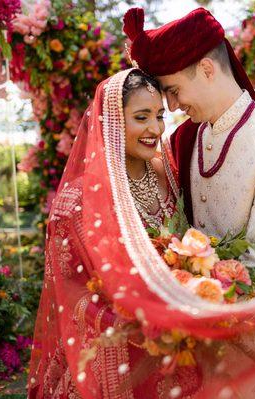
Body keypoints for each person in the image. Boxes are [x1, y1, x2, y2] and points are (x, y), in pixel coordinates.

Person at [122, 7, 255, 398]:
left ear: (207, 69)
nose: (171, 107)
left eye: (172, 91)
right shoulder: (181, 140)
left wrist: (182, 309)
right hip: (195, 348)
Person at [27, 69, 201, 398]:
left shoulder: (169, 172)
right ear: (112, 122)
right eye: (141, 117)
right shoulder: (78, 201)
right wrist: (133, 321)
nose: (155, 129)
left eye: (159, 115)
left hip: (177, 346)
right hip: (113, 352)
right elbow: (68, 291)